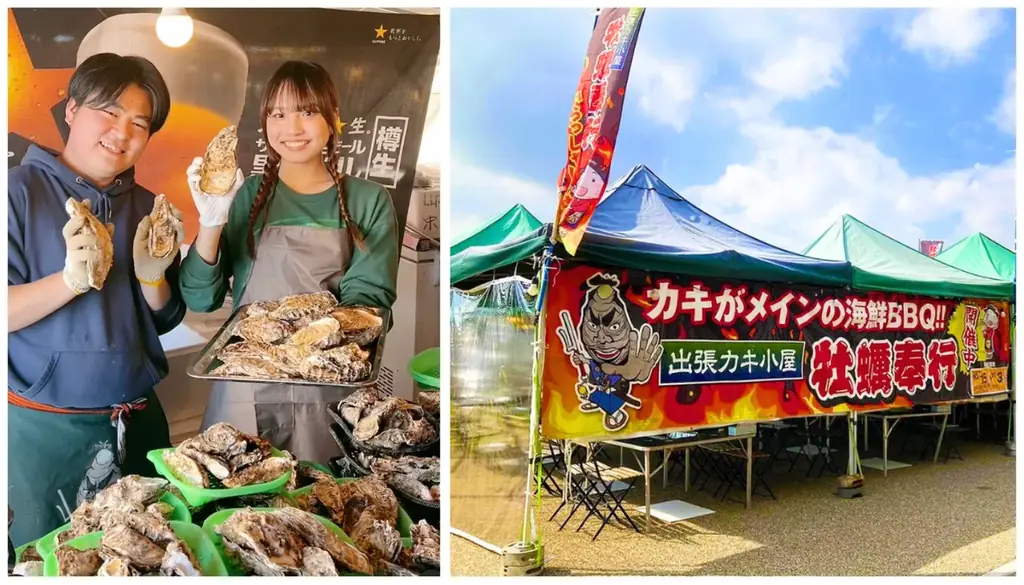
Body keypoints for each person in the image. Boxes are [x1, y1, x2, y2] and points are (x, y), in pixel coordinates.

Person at [179, 61, 399, 463]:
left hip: (328, 384)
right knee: (242, 504)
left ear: (333, 119)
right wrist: (210, 221)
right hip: (245, 382)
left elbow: (370, 301)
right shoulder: (246, 195)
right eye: (278, 114)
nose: (292, 128)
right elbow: (200, 296)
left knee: (328, 507)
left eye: (307, 111)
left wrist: (303, 346)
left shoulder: (368, 200)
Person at [7, 53, 186, 546]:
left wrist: (153, 278)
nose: (121, 133)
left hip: (139, 420)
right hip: (44, 428)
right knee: (48, 557)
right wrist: (69, 280)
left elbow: (164, 317)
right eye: (108, 112)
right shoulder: (15, 192)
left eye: (138, 123)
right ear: (71, 109)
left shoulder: (149, 205)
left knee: (149, 555)